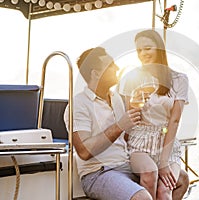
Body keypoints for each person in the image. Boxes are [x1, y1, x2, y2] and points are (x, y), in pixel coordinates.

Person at [64, 46, 189, 200]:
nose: (117, 68)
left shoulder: (116, 98)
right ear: (96, 73)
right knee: (143, 198)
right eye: (110, 65)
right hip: (99, 172)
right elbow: (83, 151)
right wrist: (119, 126)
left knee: (181, 179)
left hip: (125, 165)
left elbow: (129, 135)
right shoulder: (79, 104)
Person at [119, 29, 189, 200]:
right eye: (139, 50)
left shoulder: (179, 79)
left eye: (147, 48)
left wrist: (164, 161)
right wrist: (134, 105)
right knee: (150, 174)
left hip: (167, 145)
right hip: (140, 142)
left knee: (165, 190)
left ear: (159, 49)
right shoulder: (131, 78)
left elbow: (174, 121)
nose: (143, 53)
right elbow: (129, 118)